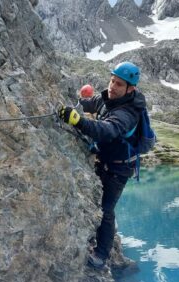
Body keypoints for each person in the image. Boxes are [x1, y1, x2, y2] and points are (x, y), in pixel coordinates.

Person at [58, 62, 147, 269]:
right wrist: (80, 104)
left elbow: (106, 130)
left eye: (119, 84)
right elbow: (93, 104)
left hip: (119, 169)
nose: (112, 86)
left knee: (106, 210)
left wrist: (77, 120)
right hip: (106, 159)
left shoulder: (129, 113)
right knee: (97, 204)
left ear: (130, 89)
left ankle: (101, 255)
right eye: (112, 81)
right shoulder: (109, 98)